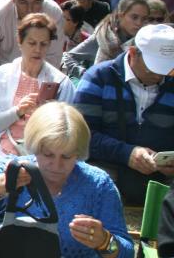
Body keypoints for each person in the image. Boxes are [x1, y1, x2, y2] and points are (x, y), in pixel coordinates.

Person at [0, 102, 133, 258]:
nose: (56, 165)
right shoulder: (15, 169)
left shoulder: (97, 185)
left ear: (78, 153)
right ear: (34, 147)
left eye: (67, 156)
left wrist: (104, 241)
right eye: (48, 154)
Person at [74, 24, 174, 205]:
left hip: (163, 177)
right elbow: (81, 135)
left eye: (166, 69)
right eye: (153, 69)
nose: (159, 76)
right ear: (133, 53)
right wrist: (127, 154)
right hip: (105, 168)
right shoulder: (99, 77)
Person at [0, 13, 76, 165]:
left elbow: (67, 132)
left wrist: (49, 115)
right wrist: (17, 111)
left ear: (49, 45)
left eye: (43, 44)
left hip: (45, 160)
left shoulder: (61, 82)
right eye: (32, 43)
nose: (37, 49)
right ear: (20, 42)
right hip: (1, 156)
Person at [62, 0, 149, 80]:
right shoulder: (103, 37)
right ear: (121, 15)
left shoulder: (145, 41)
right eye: (134, 17)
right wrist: (85, 74)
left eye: (144, 19)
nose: (139, 23)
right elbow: (67, 57)